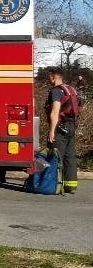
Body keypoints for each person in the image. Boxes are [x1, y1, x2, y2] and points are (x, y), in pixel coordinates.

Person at [46, 67, 80, 195]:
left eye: (49, 77)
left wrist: (51, 131)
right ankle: (71, 186)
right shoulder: (70, 89)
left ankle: (55, 185)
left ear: (54, 76)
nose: (48, 79)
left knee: (57, 156)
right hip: (71, 126)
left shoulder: (56, 91)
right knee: (69, 157)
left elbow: (55, 112)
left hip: (60, 127)